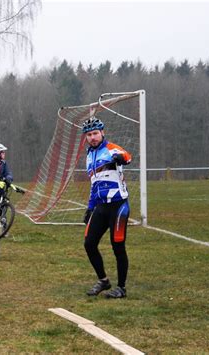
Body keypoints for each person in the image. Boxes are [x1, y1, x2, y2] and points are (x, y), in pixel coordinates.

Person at [82, 118, 132, 298]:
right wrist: (90, 207)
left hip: (118, 206)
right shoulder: (89, 156)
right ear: (86, 137)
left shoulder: (111, 148)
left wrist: (120, 158)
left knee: (117, 246)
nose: (93, 137)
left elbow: (127, 156)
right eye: (89, 135)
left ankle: (121, 288)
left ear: (102, 132)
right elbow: (94, 184)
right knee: (89, 244)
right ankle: (103, 281)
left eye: (95, 133)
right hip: (100, 207)